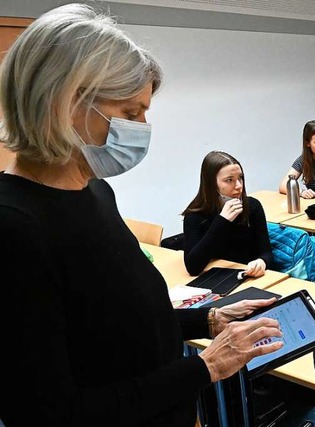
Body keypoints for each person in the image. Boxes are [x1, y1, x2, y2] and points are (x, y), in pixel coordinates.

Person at [0, 5, 282, 426]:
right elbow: (52, 414)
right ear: (65, 103)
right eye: (131, 113)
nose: (143, 126)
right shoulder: (14, 231)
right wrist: (204, 367)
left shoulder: (96, 191)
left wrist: (206, 318)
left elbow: (120, 319)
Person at [183, 151, 273, 277]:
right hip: (217, 278)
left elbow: (267, 253)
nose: (238, 186)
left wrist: (262, 262)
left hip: (248, 276)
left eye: (240, 178)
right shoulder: (195, 215)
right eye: (229, 180)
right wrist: (222, 221)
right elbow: (193, 267)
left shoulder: (252, 206)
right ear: (211, 184)